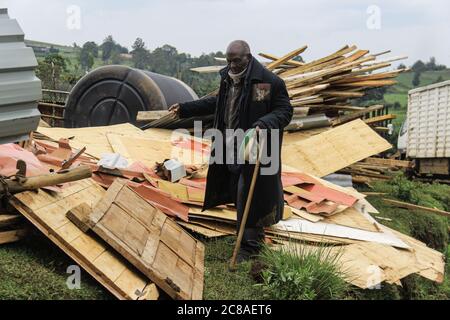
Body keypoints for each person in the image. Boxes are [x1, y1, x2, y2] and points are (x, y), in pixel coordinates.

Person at [169, 40, 292, 262]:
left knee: (250, 194)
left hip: (254, 148)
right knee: (238, 192)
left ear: (248, 57)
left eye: (236, 60)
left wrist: (264, 123)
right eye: (229, 60)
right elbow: (217, 104)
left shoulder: (264, 82)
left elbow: (283, 111)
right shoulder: (228, 79)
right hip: (228, 144)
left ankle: (249, 248)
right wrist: (184, 109)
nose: (232, 65)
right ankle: (250, 239)